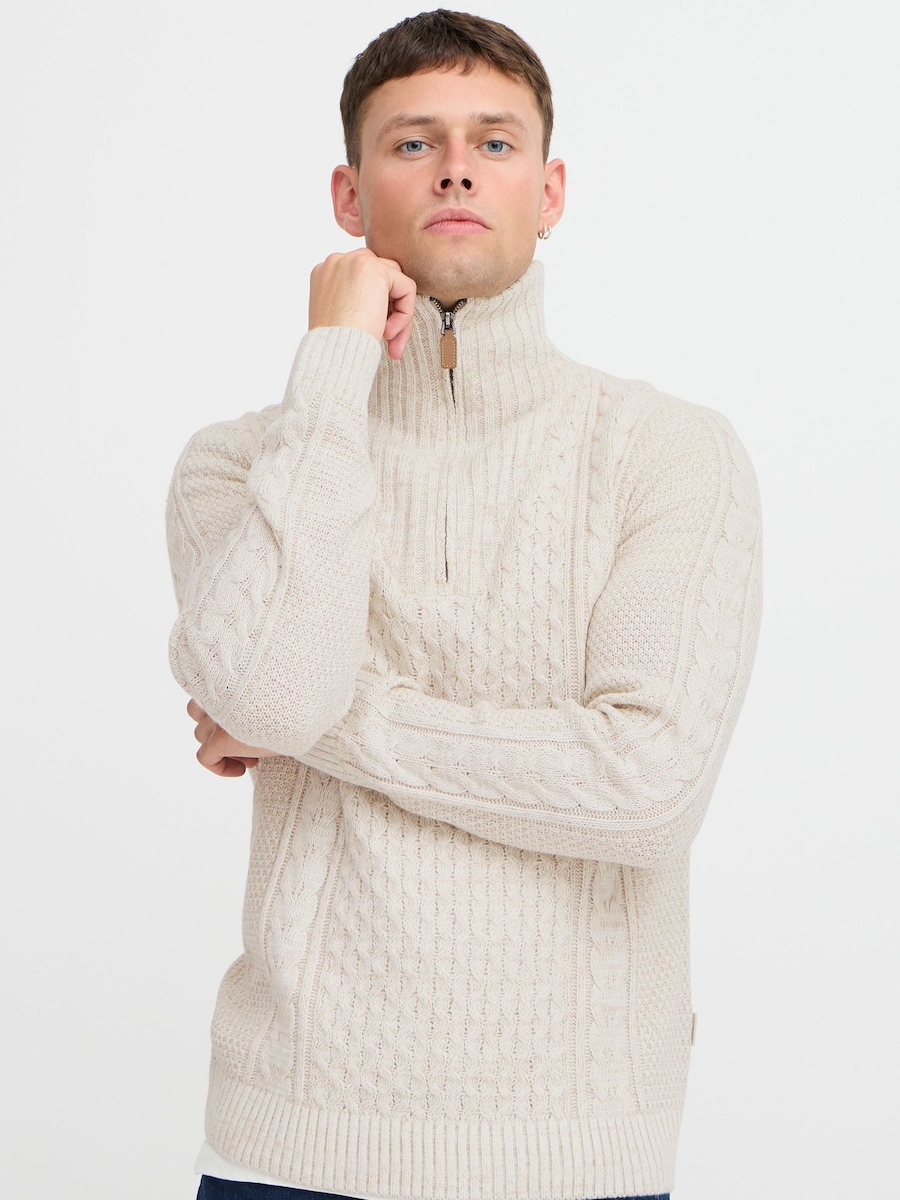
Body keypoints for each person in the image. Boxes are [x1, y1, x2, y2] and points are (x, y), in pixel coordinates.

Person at [166, 10, 762, 1200]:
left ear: (550, 191)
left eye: (494, 142)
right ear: (349, 197)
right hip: (290, 1140)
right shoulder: (238, 465)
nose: (454, 168)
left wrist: (317, 726)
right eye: (413, 142)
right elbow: (274, 688)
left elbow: (648, 789)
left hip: (575, 1150)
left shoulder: (668, 452)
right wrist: (331, 368)